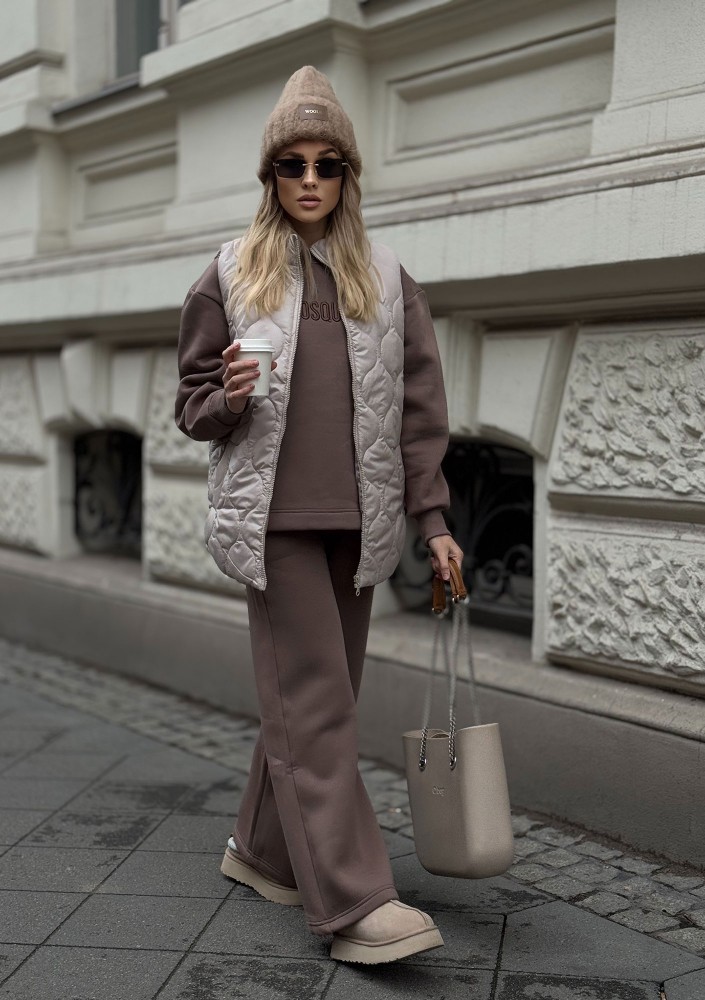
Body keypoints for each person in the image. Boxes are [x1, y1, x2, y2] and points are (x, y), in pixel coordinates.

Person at [174, 66, 464, 965]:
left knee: (316, 704)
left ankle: (262, 853)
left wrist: (435, 521)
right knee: (318, 710)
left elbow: (419, 415)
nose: (308, 180)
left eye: (326, 164)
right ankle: (351, 900)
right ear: (269, 179)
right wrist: (223, 394)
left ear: (347, 176)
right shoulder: (230, 272)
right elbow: (188, 407)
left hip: (359, 527)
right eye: (290, 165)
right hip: (275, 527)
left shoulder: (385, 277)